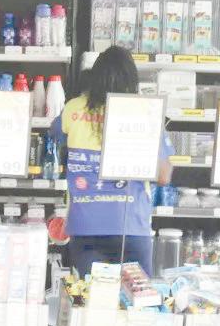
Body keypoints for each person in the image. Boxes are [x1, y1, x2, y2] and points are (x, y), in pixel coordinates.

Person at [50, 45, 174, 277]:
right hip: (131, 225)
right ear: (132, 79)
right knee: (136, 297)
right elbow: (164, 176)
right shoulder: (145, 112)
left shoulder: (74, 109)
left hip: (86, 226)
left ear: (95, 77)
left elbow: (56, 134)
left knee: (93, 296)